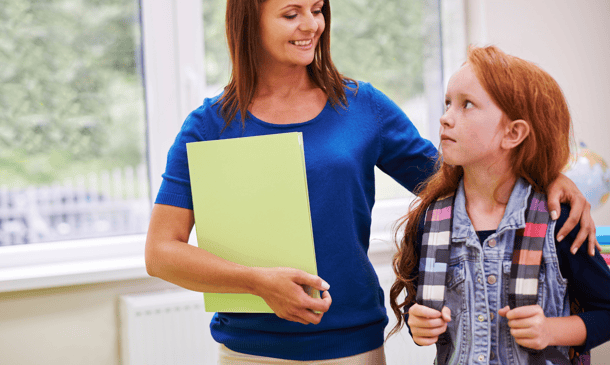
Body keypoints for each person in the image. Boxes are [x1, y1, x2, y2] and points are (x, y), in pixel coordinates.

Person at [145, 0, 597, 362]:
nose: (311, 25)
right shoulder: (208, 126)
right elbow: (162, 252)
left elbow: (461, 177)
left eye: (318, 9)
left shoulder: (362, 107)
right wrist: (256, 281)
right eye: (291, 13)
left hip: (353, 348)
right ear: (249, 18)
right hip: (247, 351)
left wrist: (549, 177)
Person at [389, 45, 610, 365]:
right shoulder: (431, 219)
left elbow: (606, 310)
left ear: (514, 133)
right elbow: (418, 307)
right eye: (448, 103)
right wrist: (418, 323)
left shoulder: (558, 220)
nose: (445, 117)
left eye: (466, 105)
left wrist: (551, 330)